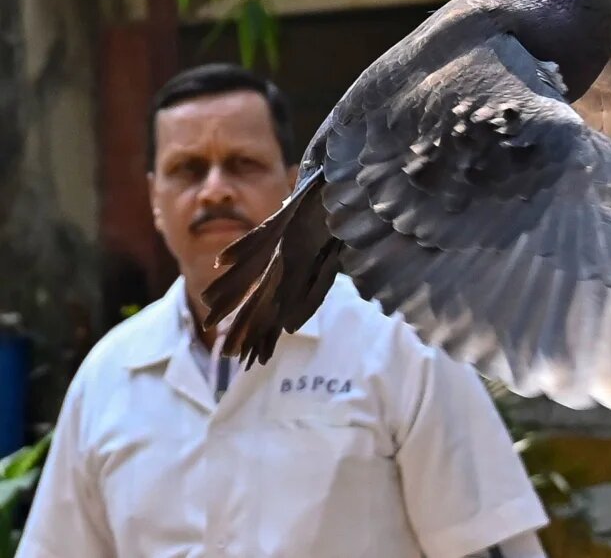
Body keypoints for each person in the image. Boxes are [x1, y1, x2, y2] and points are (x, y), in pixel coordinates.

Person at [17, 63, 550, 558]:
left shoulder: (398, 346)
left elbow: (490, 544)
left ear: (294, 183)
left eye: (242, 164)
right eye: (187, 169)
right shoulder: (108, 377)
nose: (214, 189)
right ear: (155, 197)